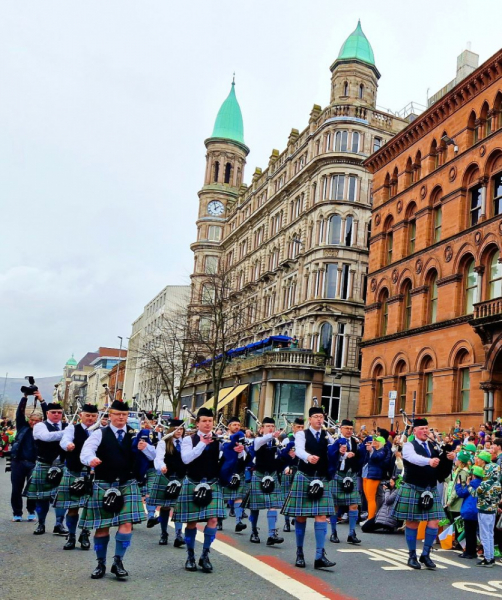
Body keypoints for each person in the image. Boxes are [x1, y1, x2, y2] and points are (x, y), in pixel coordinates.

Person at [80, 400, 146, 580]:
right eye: (117, 414)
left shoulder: (135, 435)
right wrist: (90, 460)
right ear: (110, 416)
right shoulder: (99, 434)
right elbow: (86, 452)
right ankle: (100, 563)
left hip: (127, 483)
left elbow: (151, 456)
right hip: (103, 483)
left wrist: (146, 450)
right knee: (102, 527)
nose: (121, 417)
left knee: (126, 524)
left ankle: (118, 561)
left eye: (124, 415)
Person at [391, 417, 454, 570]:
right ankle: (412, 555)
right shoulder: (408, 446)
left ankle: (425, 554)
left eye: (427, 428)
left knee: (434, 522)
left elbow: (441, 472)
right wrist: (429, 461)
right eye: (422, 428)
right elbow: (412, 459)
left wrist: (449, 459)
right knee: (413, 522)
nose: (425, 431)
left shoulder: (433, 447)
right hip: (413, 487)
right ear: (415, 431)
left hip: (430, 488)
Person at [282, 406, 336, 569]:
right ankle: (300, 553)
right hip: (304, 476)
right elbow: (298, 450)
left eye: (321, 416)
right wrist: (308, 457)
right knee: (301, 517)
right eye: (316, 417)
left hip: (321, 478)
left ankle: (319, 556)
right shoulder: (301, 434)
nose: (320, 419)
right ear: (310, 419)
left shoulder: (328, 435)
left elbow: (332, 453)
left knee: (321, 515)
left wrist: (340, 451)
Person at [173, 407, 226, 573]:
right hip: (193, 482)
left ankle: (205, 554)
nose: (208, 424)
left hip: (212, 483)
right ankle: (190, 556)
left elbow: (225, 461)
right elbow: (186, 459)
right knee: (192, 522)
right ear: (197, 423)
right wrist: (202, 444)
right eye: (204, 421)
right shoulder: (190, 440)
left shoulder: (219, 440)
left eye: (210, 421)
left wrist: (238, 454)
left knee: (213, 520)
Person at [55, 403, 99, 550]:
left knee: (89, 508)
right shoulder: (72, 428)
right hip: (74, 471)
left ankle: (85, 534)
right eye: (87, 415)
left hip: (93, 474)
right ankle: (72, 536)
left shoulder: (100, 431)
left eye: (93, 416)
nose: (90, 418)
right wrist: (68, 445)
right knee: (73, 507)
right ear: (81, 416)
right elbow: (64, 440)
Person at [25, 400, 69, 536]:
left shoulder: (67, 426)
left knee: (62, 497)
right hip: (44, 464)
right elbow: (46, 437)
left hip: (61, 465)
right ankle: (41, 523)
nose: (56, 415)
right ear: (47, 413)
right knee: (42, 497)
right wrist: (67, 433)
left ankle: (59, 524)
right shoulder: (40, 426)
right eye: (53, 412)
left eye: (59, 412)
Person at [247, 417, 284, 546]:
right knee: (255, 507)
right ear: (261, 428)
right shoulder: (258, 440)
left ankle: (271, 534)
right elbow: (261, 441)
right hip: (259, 474)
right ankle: (254, 531)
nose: (270, 428)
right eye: (267, 426)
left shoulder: (274, 442)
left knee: (273, 504)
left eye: (272, 426)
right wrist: (271, 436)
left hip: (272, 475)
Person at [10, 392, 46, 522]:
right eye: (32, 420)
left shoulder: (43, 431)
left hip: (34, 463)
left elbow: (48, 415)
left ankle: (31, 510)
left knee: (33, 488)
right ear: (29, 420)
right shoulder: (23, 427)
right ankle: (17, 513)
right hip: (18, 462)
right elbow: (20, 413)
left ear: (41, 421)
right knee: (16, 489)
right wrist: (25, 397)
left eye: (37, 421)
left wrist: (41, 400)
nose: (34, 423)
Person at [151, 419, 187, 547]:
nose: (179, 431)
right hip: (167, 477)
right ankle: (164, 533)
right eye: (176, 429)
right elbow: (158, 458)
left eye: (181, 429)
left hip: (182, 477)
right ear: (171, 430)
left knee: (179, 507)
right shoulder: (164, 442)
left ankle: (178, 535)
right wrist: (162, 466)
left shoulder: (186, 443)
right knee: (165, 506)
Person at [328, 419, 361, 544]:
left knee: (354, 504)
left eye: (351, 429)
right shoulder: (334, 441)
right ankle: (333, 532)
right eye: (347, 428)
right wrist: (342, 454)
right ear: (341, 428)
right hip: (337, 474)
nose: (349, 431)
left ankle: (352, 533)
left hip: (350, 475)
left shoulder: (354, 442)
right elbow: (330, 455)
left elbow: (358, 457)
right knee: (335, 505)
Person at [219, 416, 247, 533]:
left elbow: (245, 457)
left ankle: (238, 522)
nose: (237, 427)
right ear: (229, 426)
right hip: (224, 471)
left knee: (238, 497)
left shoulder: (242, 439)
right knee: (221, 497)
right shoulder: (222, 438)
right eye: (234, 425)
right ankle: (219, 521)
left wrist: (242, 451)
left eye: (238, 425)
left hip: (238, 470)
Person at [132, 412, 159, 528]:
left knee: (151, 493)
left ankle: (151, 516)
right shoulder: (137, 433)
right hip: (138, 467)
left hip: (152, 467)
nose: (150, 423)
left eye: (152, 421)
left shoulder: (158, 434)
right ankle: (132, 518)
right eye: (147, 421)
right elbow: (133, 449)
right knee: (136, 493)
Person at [475, 450, 501, 567]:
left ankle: (488, 558)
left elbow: (476, 493)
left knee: (484, 534)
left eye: (480, 458)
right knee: (490, 534)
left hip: (484, 509)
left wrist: (470, 486)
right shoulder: (497, 484)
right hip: (492, 510)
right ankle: (490, 557)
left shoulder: (486, 483)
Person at [279, 417, 304, 532]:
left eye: (302, 427)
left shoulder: (306, 440)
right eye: (298, 427)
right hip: (288, 469)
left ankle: (295, 517)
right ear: (293, 427)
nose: (300, 429)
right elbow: (282, 457)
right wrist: (286, 466)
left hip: (300, 470)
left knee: (298, 497)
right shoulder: (287, 440)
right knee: (286, 496)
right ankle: (286, 522)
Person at [455, 465, 483, 559]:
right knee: (473, 532)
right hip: (477, 510)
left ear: (473, 475)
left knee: (469, 532)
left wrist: (458, 484)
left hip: (469, 510)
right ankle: (472, 551)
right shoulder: (482, 484)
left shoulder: (471, 484)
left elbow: (461, 493)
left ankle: (469, 552)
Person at [361, 436, 387, 521]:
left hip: (374, 476)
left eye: (376, 441)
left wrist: (372, 450)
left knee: (371, 498)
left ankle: (370, 518)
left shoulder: (383, 450)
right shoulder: (373, 450)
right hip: (366, 474)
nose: (373, 442)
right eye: (373, 440)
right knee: (368, 498)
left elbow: (376, 458)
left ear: (380, 442)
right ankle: (370, 516)